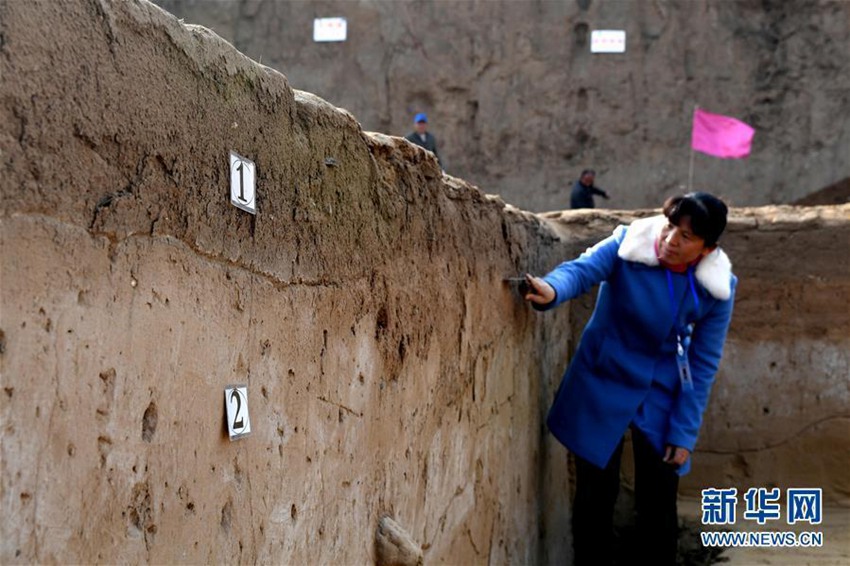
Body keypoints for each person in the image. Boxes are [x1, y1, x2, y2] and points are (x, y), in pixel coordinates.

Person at [524, 192, 736, 565]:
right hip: (602, 378)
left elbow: (703, 364)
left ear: (706, 249)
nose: (671, 240)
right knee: (595, 495)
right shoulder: (629, 243)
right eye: (671, 227)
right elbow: (582, 269)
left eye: (686, 237)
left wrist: (684, 432)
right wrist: (553, 289)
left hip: (662, 393)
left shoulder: (717, 289)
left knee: (658, 501)